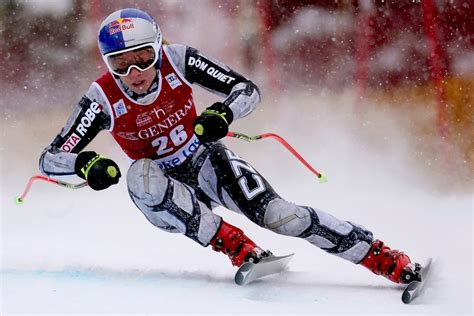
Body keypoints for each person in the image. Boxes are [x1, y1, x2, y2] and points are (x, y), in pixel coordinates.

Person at [39, 8, 421, 284]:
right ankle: (235, 245)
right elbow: (51, 158)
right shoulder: (102, 97)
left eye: (142, 58)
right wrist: (86, 165)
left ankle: (380, 255)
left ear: (157, 49)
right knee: (140, 175)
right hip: (163, 188)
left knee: (281, 216)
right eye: (120, 65)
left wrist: (222, 114)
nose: (134, 74)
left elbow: (246, 90)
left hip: (206, 161)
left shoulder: (178, 60)